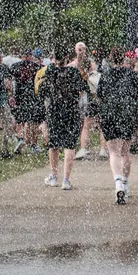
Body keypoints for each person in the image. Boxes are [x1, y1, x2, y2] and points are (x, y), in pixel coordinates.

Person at [98, 50, 138, 204]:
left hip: (110, 113)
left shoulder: (105, 74)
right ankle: (125, 184)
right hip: (127, 113)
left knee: (113, 152)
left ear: (111, 59)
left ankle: (118, 184)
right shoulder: (131, 74)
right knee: (125, 152)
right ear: (124, 58)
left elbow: (100, 94)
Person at [38, 48, 87, 190]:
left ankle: (53, 176)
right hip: (71, 110)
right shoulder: (73, 72)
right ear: (67, 57)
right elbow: (82, 89)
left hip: (54, 110)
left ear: (54, 57)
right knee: (69, 144)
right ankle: (66, 180)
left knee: (53, 143)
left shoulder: (50, 71)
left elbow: (42, 91)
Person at [11, 49, 45, 154]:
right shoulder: (36, 67)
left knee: (22, 120)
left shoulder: (14, 66)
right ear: (30, 56)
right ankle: (32, 144)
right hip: (33, 96)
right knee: (32, 121)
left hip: (19, 97)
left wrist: (11, 95)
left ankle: (21, 139)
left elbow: (11, 80)